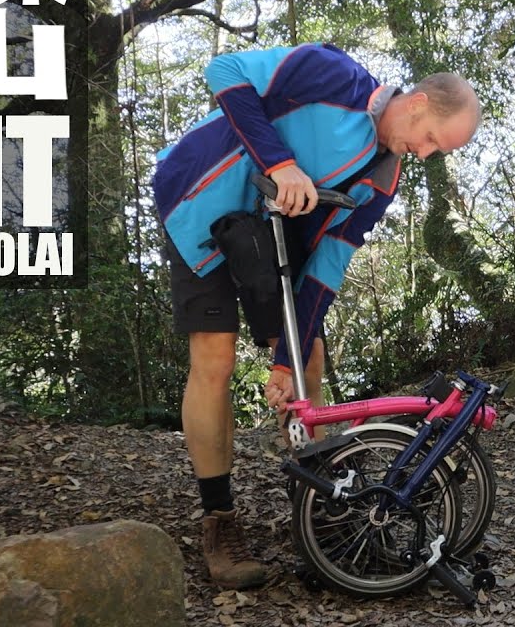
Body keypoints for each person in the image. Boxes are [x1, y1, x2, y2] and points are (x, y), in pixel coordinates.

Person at [151, 42, 480, 589]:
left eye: (434, 152)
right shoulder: (333, 76)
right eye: (429, 141)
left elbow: (325, 270)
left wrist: (286, 359)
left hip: (268, 242)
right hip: (199, 205)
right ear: (418, 104)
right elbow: (224, 70)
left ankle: (321, 502)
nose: (424, 154)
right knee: (216, 357)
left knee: (309, 356)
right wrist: (280, 164)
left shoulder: (382, 176)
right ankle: (220, 521)